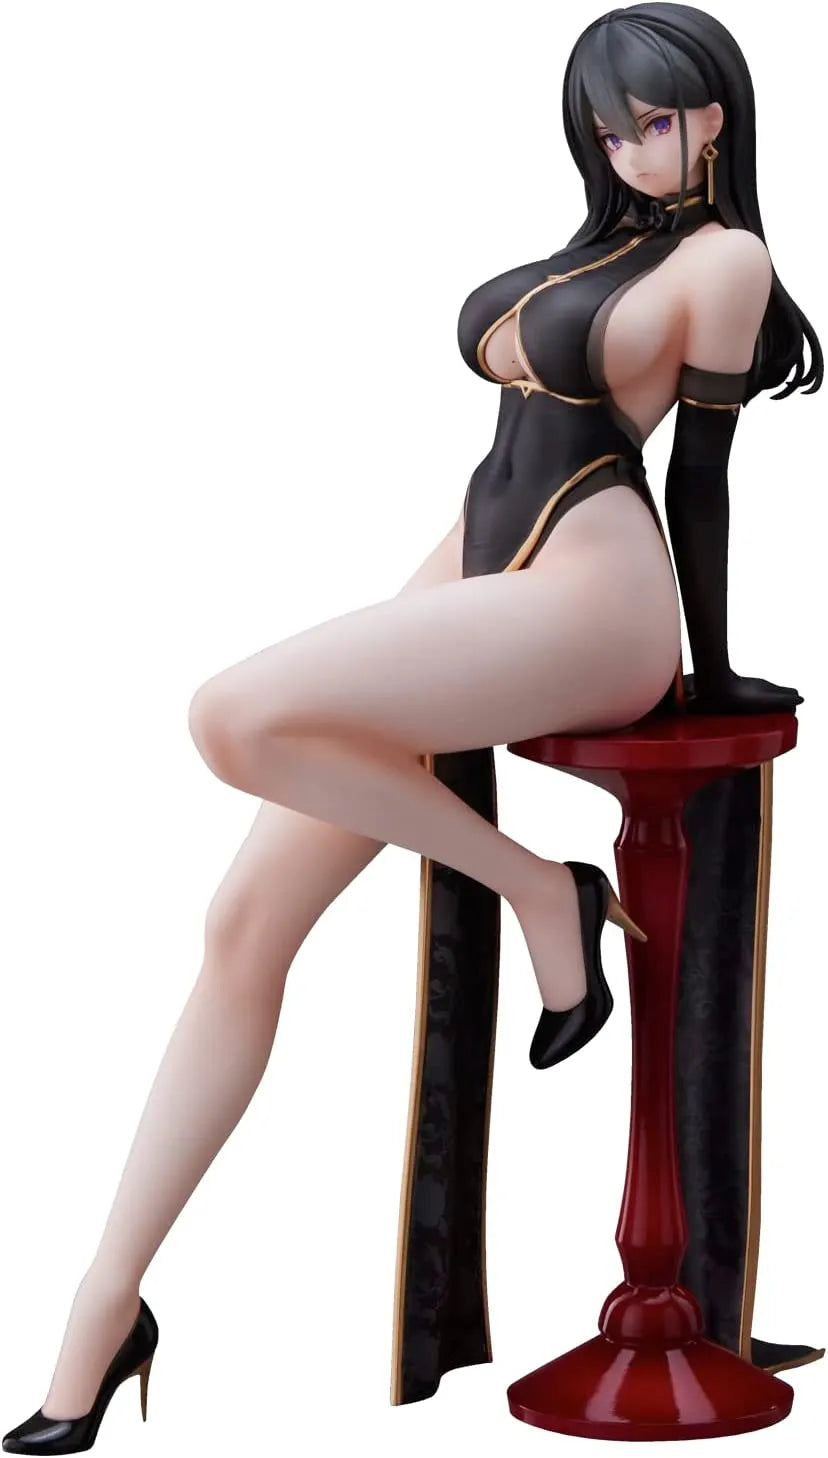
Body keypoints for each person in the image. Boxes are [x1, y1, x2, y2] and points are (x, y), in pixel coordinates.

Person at [3, 4, 823, 1451]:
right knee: (242, 917)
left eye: (658, 119)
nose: (634, 149)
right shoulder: (596, 249)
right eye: (609, 128)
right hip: (472, 566)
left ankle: (540, 895)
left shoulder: (726, 262)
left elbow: (701, 481)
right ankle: (103, 1310)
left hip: (595, 594)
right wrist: (419, 598)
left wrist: (713, 670)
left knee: (229, 714)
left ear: (717, 112)